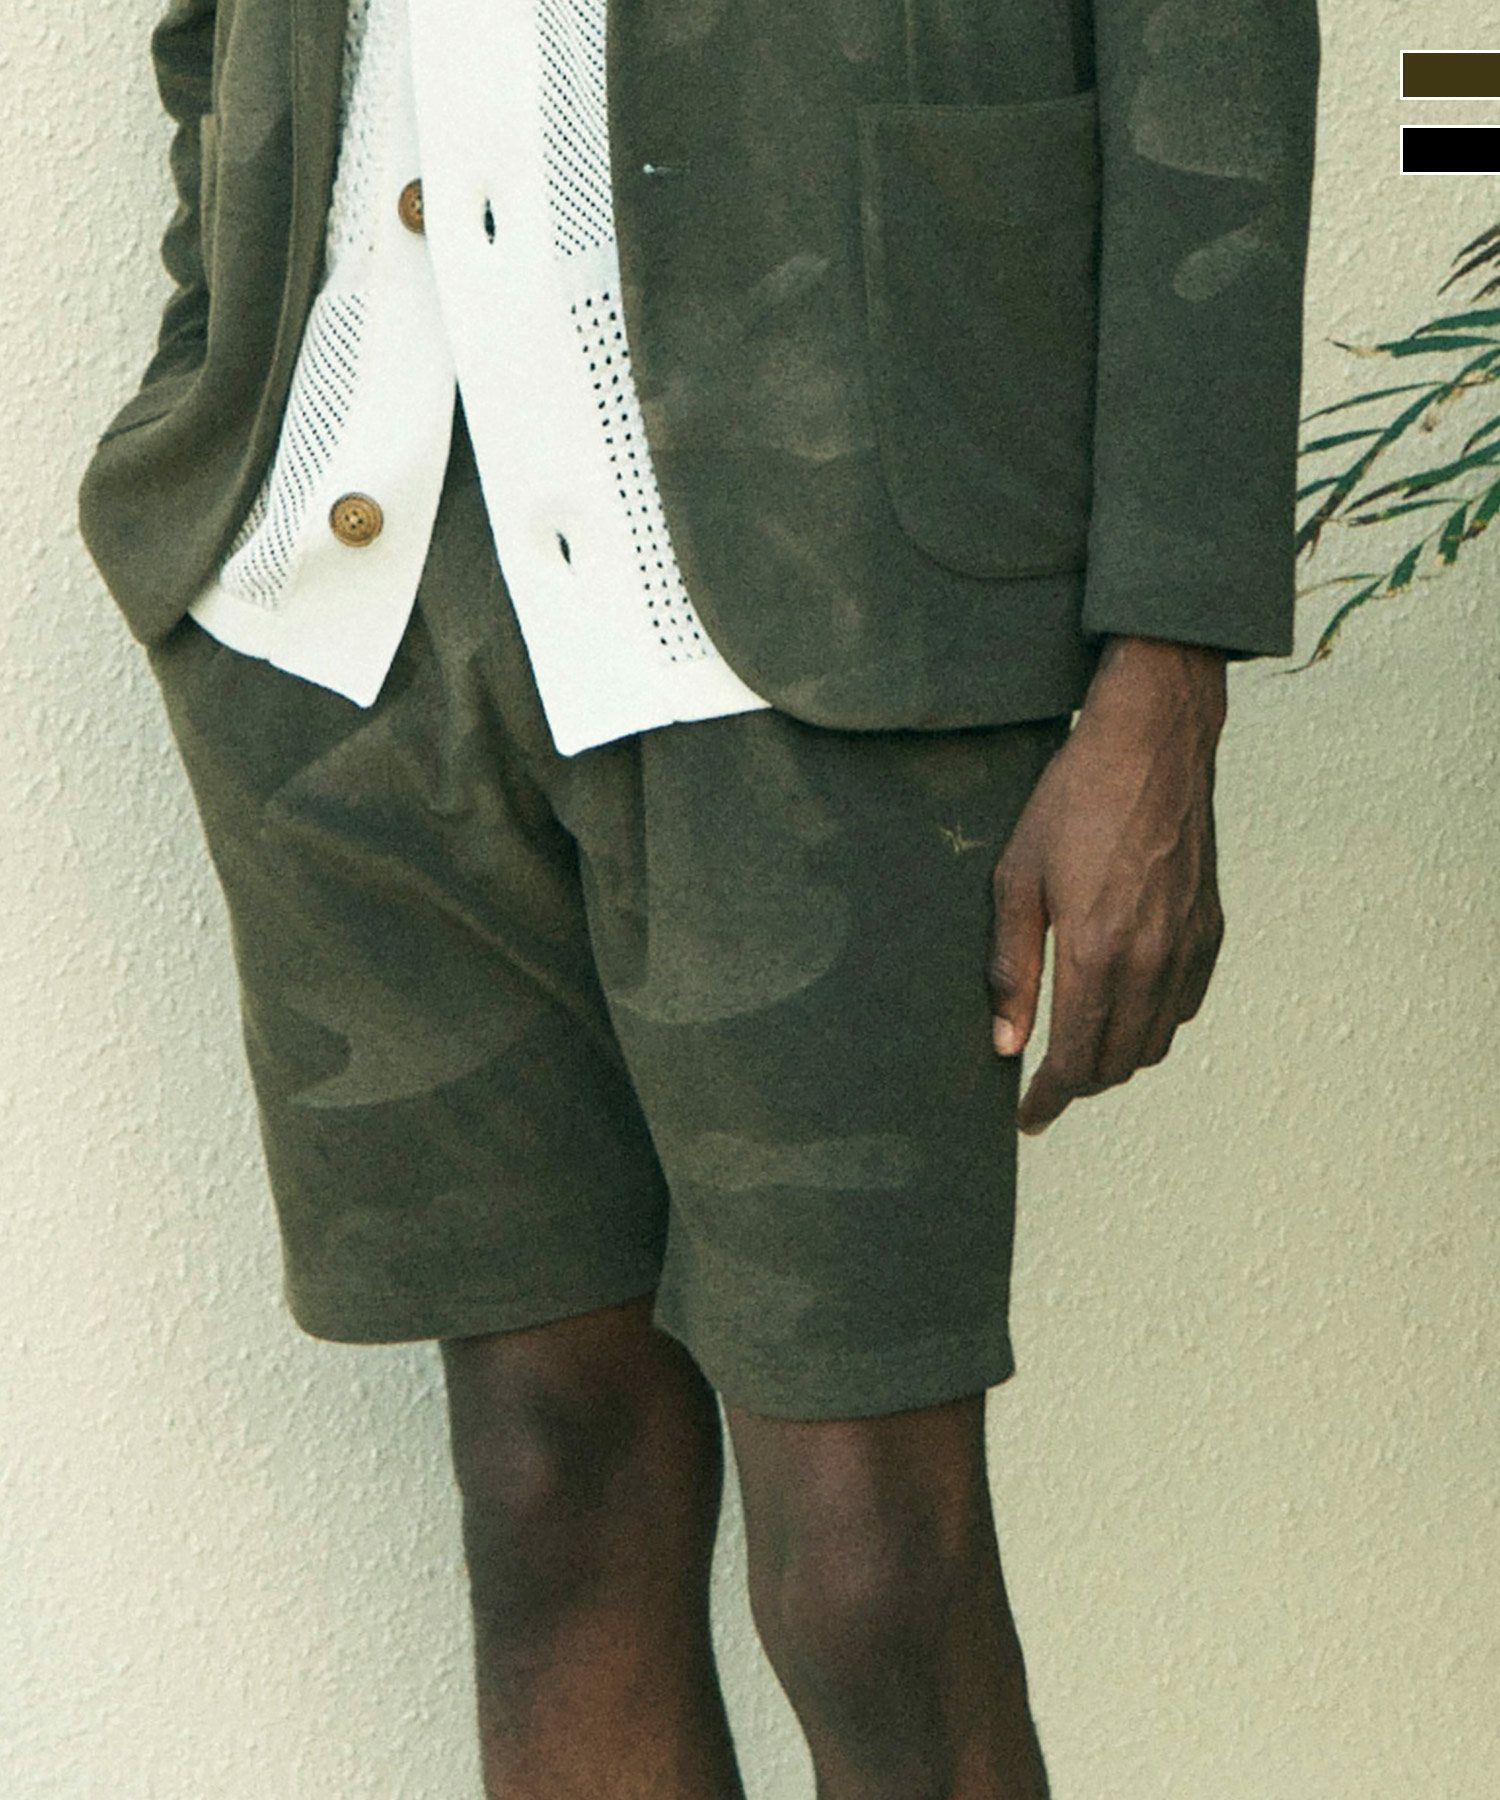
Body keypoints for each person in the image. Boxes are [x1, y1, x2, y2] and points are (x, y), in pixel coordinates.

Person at [76, 0, 1322, 1793]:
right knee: (546, 1482)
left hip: (835, 578)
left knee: (871, 1571)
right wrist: (221, 364)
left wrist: (1168, 659)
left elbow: (1216, 48)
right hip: (356, 610)